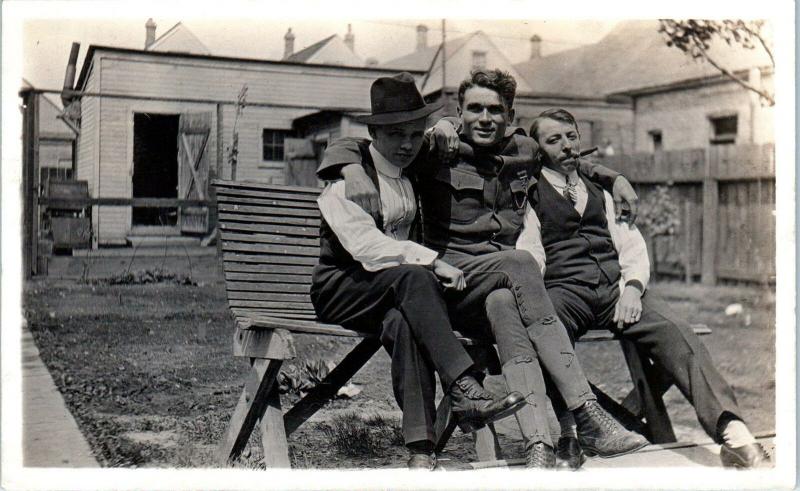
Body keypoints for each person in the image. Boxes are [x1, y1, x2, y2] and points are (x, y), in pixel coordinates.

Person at [318, 69, 647, 468]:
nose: (484, 118)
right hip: (449, 280)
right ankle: (585, 412)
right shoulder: (433, 148)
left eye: (495, 110)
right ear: (459, 113)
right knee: (521, 263)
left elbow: (569, 158)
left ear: (511, 115)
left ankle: (538, 445)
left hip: (497, 284)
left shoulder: (524, 150)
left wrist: (614, 178)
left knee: (506, 302)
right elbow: (363, 146)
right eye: (474, 109)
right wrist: (350, 167)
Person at [517, 107, 771, 469]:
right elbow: (531, 251)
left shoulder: (603, 191)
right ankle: (569, 432)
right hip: (564, 290)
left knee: (677, 331)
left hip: (614, 290)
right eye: (554, 140)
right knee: (545, 336)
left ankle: (733, 433)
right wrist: (541, 299)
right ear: (539, 149)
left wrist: (633, 289)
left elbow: (631, 245)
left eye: (571, 136)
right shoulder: (531, 194)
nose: (566, 145)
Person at [310, 72, 527, 471]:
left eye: (414, 133)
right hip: (341, 288)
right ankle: (464, 387)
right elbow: (367, 248)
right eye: (395, 135)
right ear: (374, 132)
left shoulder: (408, 173)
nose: (407, 144)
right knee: (415, 276)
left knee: (404, 324)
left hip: (389, 295)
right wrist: (430, 259)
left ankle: (421, 450)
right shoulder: (349, 182)